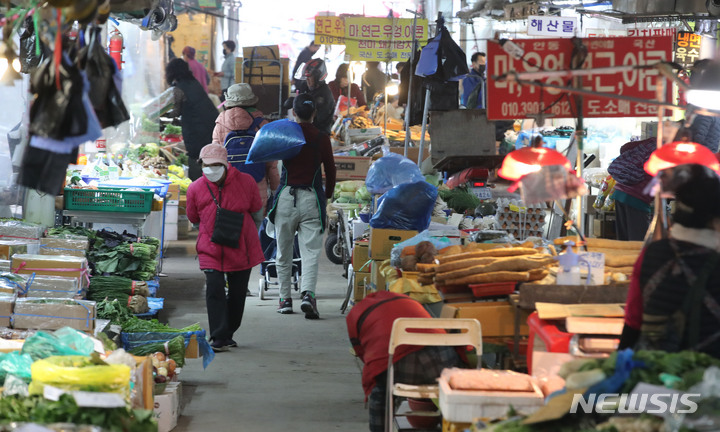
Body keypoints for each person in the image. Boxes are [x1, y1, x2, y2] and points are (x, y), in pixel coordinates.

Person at [620, 164, 720, 359]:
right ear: (714, 220)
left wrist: (620, 368)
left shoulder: (652, 253)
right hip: (710, 376)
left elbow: (633, 320)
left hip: (654, 369)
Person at [346, 291, 464, 432]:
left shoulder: (356, 315)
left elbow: (365, 357)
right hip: (442, 364)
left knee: (381, 390)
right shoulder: (409, 302)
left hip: (400, 366)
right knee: (456, 385)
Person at [186, 143, 265, 352]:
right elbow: (193, 217)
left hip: (241, 246)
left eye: (216, 165)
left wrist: (246, 233)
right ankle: (219, 337)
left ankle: (228, 331)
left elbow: (257, 211)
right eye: (206, 165)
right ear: (201, 165)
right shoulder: (195, 188)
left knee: (238, 294)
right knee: (214, 288)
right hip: (210, 247)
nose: (211, 169)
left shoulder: (246, 182)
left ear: (226, 164)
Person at [268, 94, 336, 318]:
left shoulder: (286, 134)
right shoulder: (321, 137)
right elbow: (331, 170)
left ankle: (285, 299)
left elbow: (276, 163)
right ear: (314, 113)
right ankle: (308, 295)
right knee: (310, 252)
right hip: (310, 198)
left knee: (283, 251)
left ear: (294, 113)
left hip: (287, 196)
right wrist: (327, 196)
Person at [212, 83, 280, 216]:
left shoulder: (220, 125)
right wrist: (274, 189)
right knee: (255, 230)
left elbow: (215, 160)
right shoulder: (262, 125)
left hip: (229, 187)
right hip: (256, 187)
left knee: (233, 229)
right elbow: (271, 164)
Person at [164, 58, 217, 181]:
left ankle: (197, 189)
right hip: (209, 126)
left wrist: (163, 116)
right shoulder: (193, 82)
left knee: (196, 161)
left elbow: (175, 111)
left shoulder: (179, 88)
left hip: (197, 130)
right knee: (206, 159)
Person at [607, 137, 656, 241]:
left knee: (624, 240)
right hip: (636, 197)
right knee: (638, 242)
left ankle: (624, 257)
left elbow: (625, 148)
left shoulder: (652, 142)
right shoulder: (665, 150)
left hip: (621, 191)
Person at [299, 59, 334, 134]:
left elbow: (317, 119)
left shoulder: (323, 95)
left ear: (318, 77)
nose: (307, 80)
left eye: (310, 77)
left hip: (320, 136)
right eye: (306, 77)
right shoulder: (311, 90)